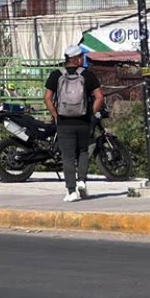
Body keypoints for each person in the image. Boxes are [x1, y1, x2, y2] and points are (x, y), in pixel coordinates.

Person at [43, 45, 103, 202]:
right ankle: (82, 181)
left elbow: (47, 98)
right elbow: (99, 97)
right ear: (76, 59)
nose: (82, 59)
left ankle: (71, 191)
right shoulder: (88, 75)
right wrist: (90, 114)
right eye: (81, 57)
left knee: (68, 157)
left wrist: (55, 115)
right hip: (83, 121)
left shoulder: (56, 75)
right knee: (83, 151)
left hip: (64, 122)